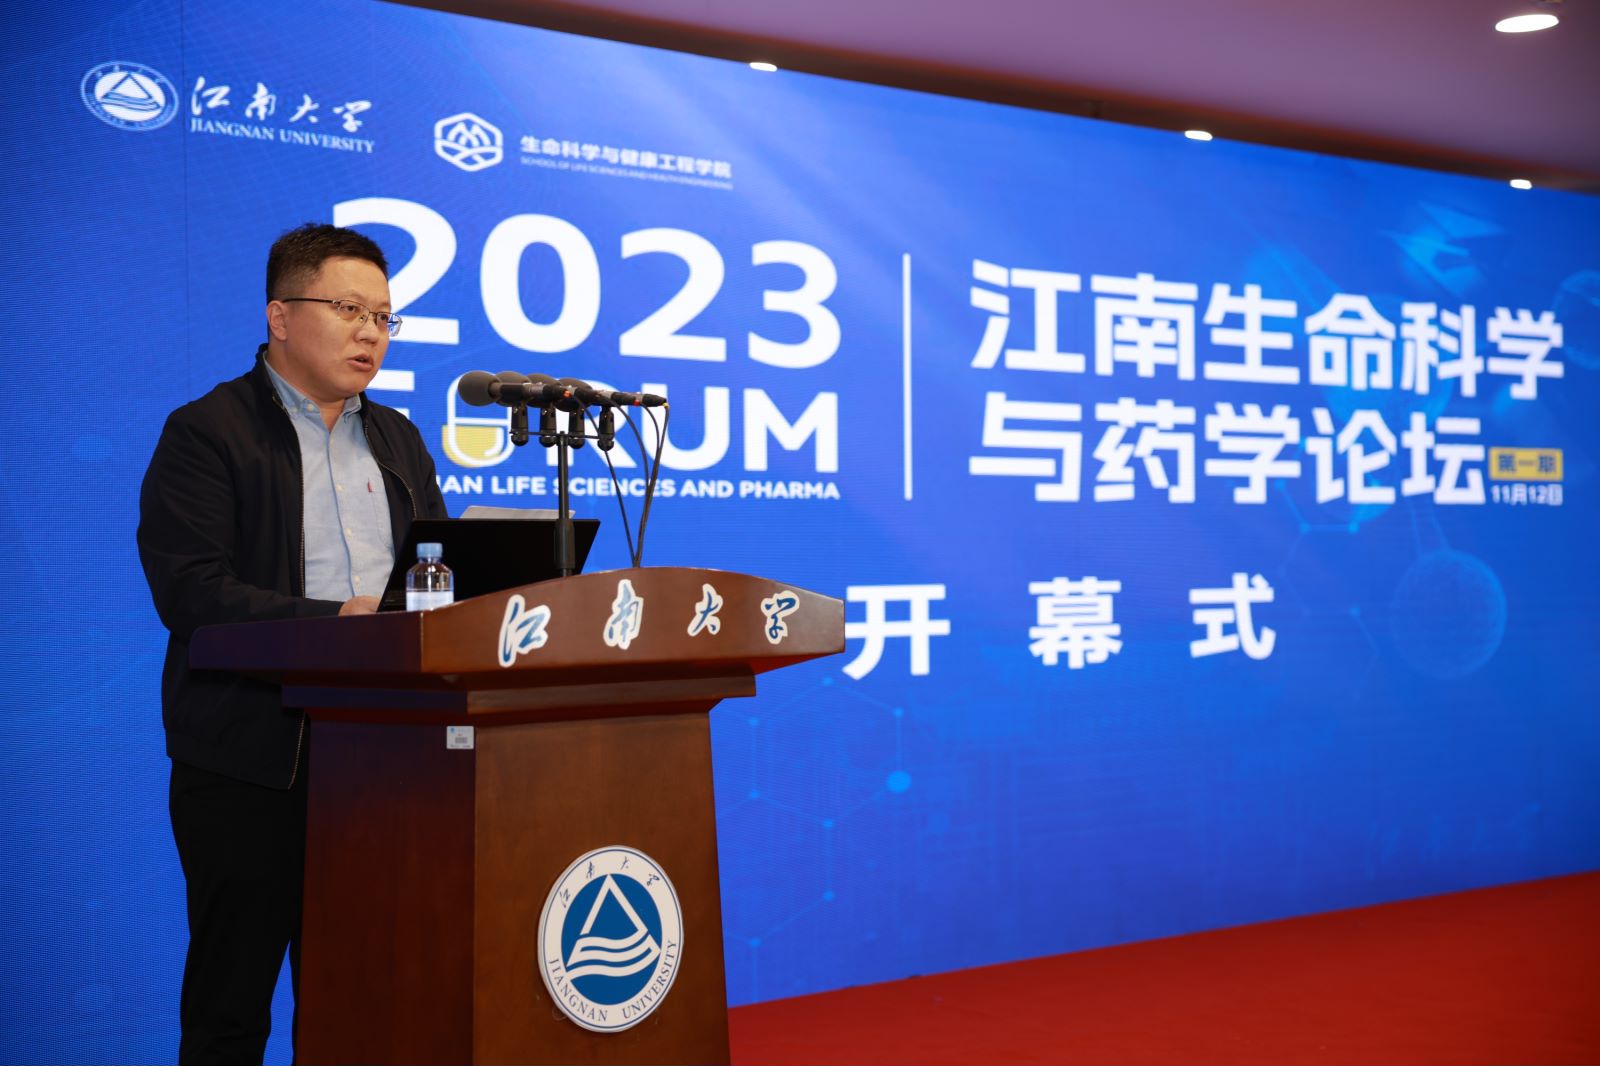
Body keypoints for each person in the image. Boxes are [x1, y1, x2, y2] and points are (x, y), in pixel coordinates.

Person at [138, 223, 449, 1064]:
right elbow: (192, 593)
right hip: (252, 759)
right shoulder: (208, 432)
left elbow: (433, 574)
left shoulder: (398, 439)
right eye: (349, 310)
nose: (370, 334)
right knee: (231, 1007)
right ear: (280, 316)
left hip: (387, 758)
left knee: (362, 996)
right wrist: (336, 620)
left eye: (383, 318)